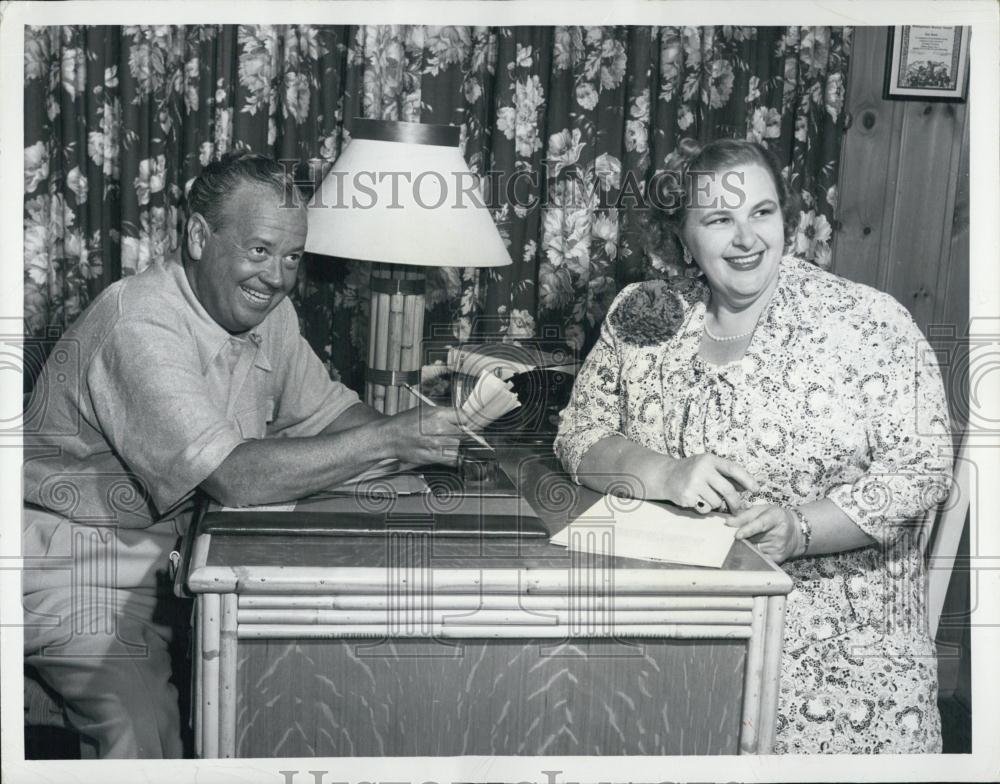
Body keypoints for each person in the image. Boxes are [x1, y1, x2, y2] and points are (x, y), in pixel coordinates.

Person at [22, 152, 464, 758]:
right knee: (141, 724)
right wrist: (389, 440)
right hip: (73, 565)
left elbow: (331, 413)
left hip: (180, 558)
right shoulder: (140, 320)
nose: (277, 277)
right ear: (200, 236)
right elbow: (231, 478)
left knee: (303, 678)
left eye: (291, 258)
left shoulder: (267, 310)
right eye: (260, 251)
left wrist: (425, 443)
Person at [553, 138, 953, 754]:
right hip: (667, 618)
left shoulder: (866, 323)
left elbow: (921, 469)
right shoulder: (645, 313)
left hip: (831, 644)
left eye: (761, 213)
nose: (746, 239)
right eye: (718, 220)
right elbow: (579, 432)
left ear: (786, 220)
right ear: (681, 239)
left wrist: (800, 530)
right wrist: (664, 473)